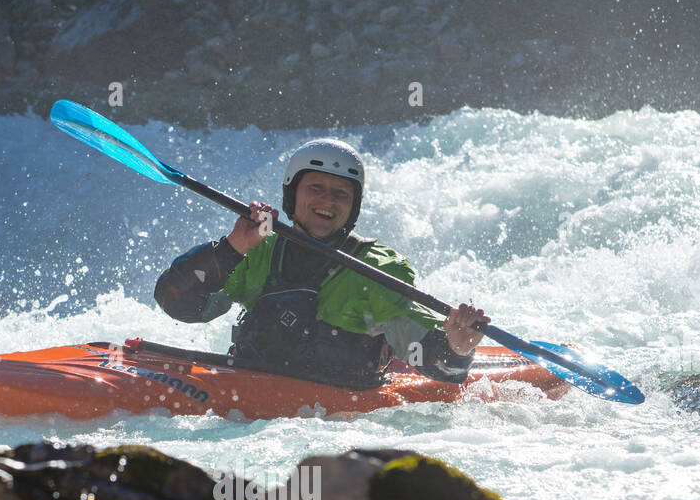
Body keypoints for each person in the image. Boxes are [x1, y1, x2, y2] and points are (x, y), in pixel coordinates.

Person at [154, 138, 490, 389]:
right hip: (248, 390)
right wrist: (232, 247)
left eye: (341, 193)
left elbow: (440, 366)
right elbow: (176, 302)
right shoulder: (257, 247)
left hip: (337, 415)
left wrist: (456, 349)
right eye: (315, 187)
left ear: (353, 206)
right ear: (292, 195)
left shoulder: (376, 270)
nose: (327, 201)